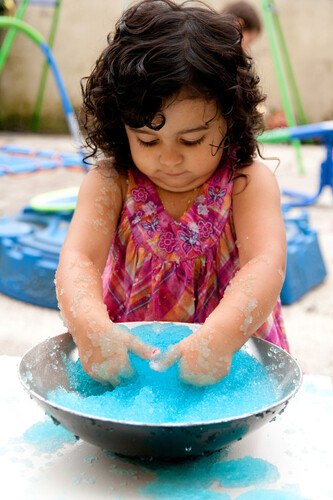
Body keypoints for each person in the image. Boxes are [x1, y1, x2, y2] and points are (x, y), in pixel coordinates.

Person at [55, 0, 288, 388]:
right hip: (133, 355)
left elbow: (265, 263)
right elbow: (79, 258)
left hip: (231, 359)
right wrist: (90, 326)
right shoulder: (113, 183)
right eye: (147, 140)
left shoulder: (246, 183)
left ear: (230, 121)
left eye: (192, 140)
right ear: (121, 125)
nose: (169, 158)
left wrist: (222, 337)